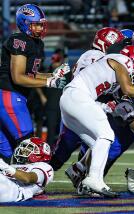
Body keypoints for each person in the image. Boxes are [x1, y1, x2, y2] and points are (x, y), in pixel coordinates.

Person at [59, 47, 134, 197]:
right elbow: (128, 89)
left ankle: (79, 170)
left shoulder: (108, 66)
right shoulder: (120, 61)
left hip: (71, 98)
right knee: (107, 135)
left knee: (99, 143)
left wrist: (106, 106)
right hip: (77, 96)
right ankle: (94, 179)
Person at [0, 4, 69, 161]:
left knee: (7, 152)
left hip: (12, 97)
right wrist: (49, 82)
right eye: (36, 24)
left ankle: (8, 183)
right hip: (8, 96)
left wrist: (52, 75)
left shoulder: (37, 43)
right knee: (28, 146)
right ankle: (30, 183)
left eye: (41, 24)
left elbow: (31, 74)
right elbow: (18, 77)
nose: (40, 28)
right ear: (24, 23)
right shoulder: (19, 40)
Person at [0, 137, 53, 202]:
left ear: (40, 154)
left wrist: (4, 166)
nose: (21, 150)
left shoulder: (43, 166)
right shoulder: (13, 165)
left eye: (28, 148)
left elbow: (28, 178)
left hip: (14, 191)